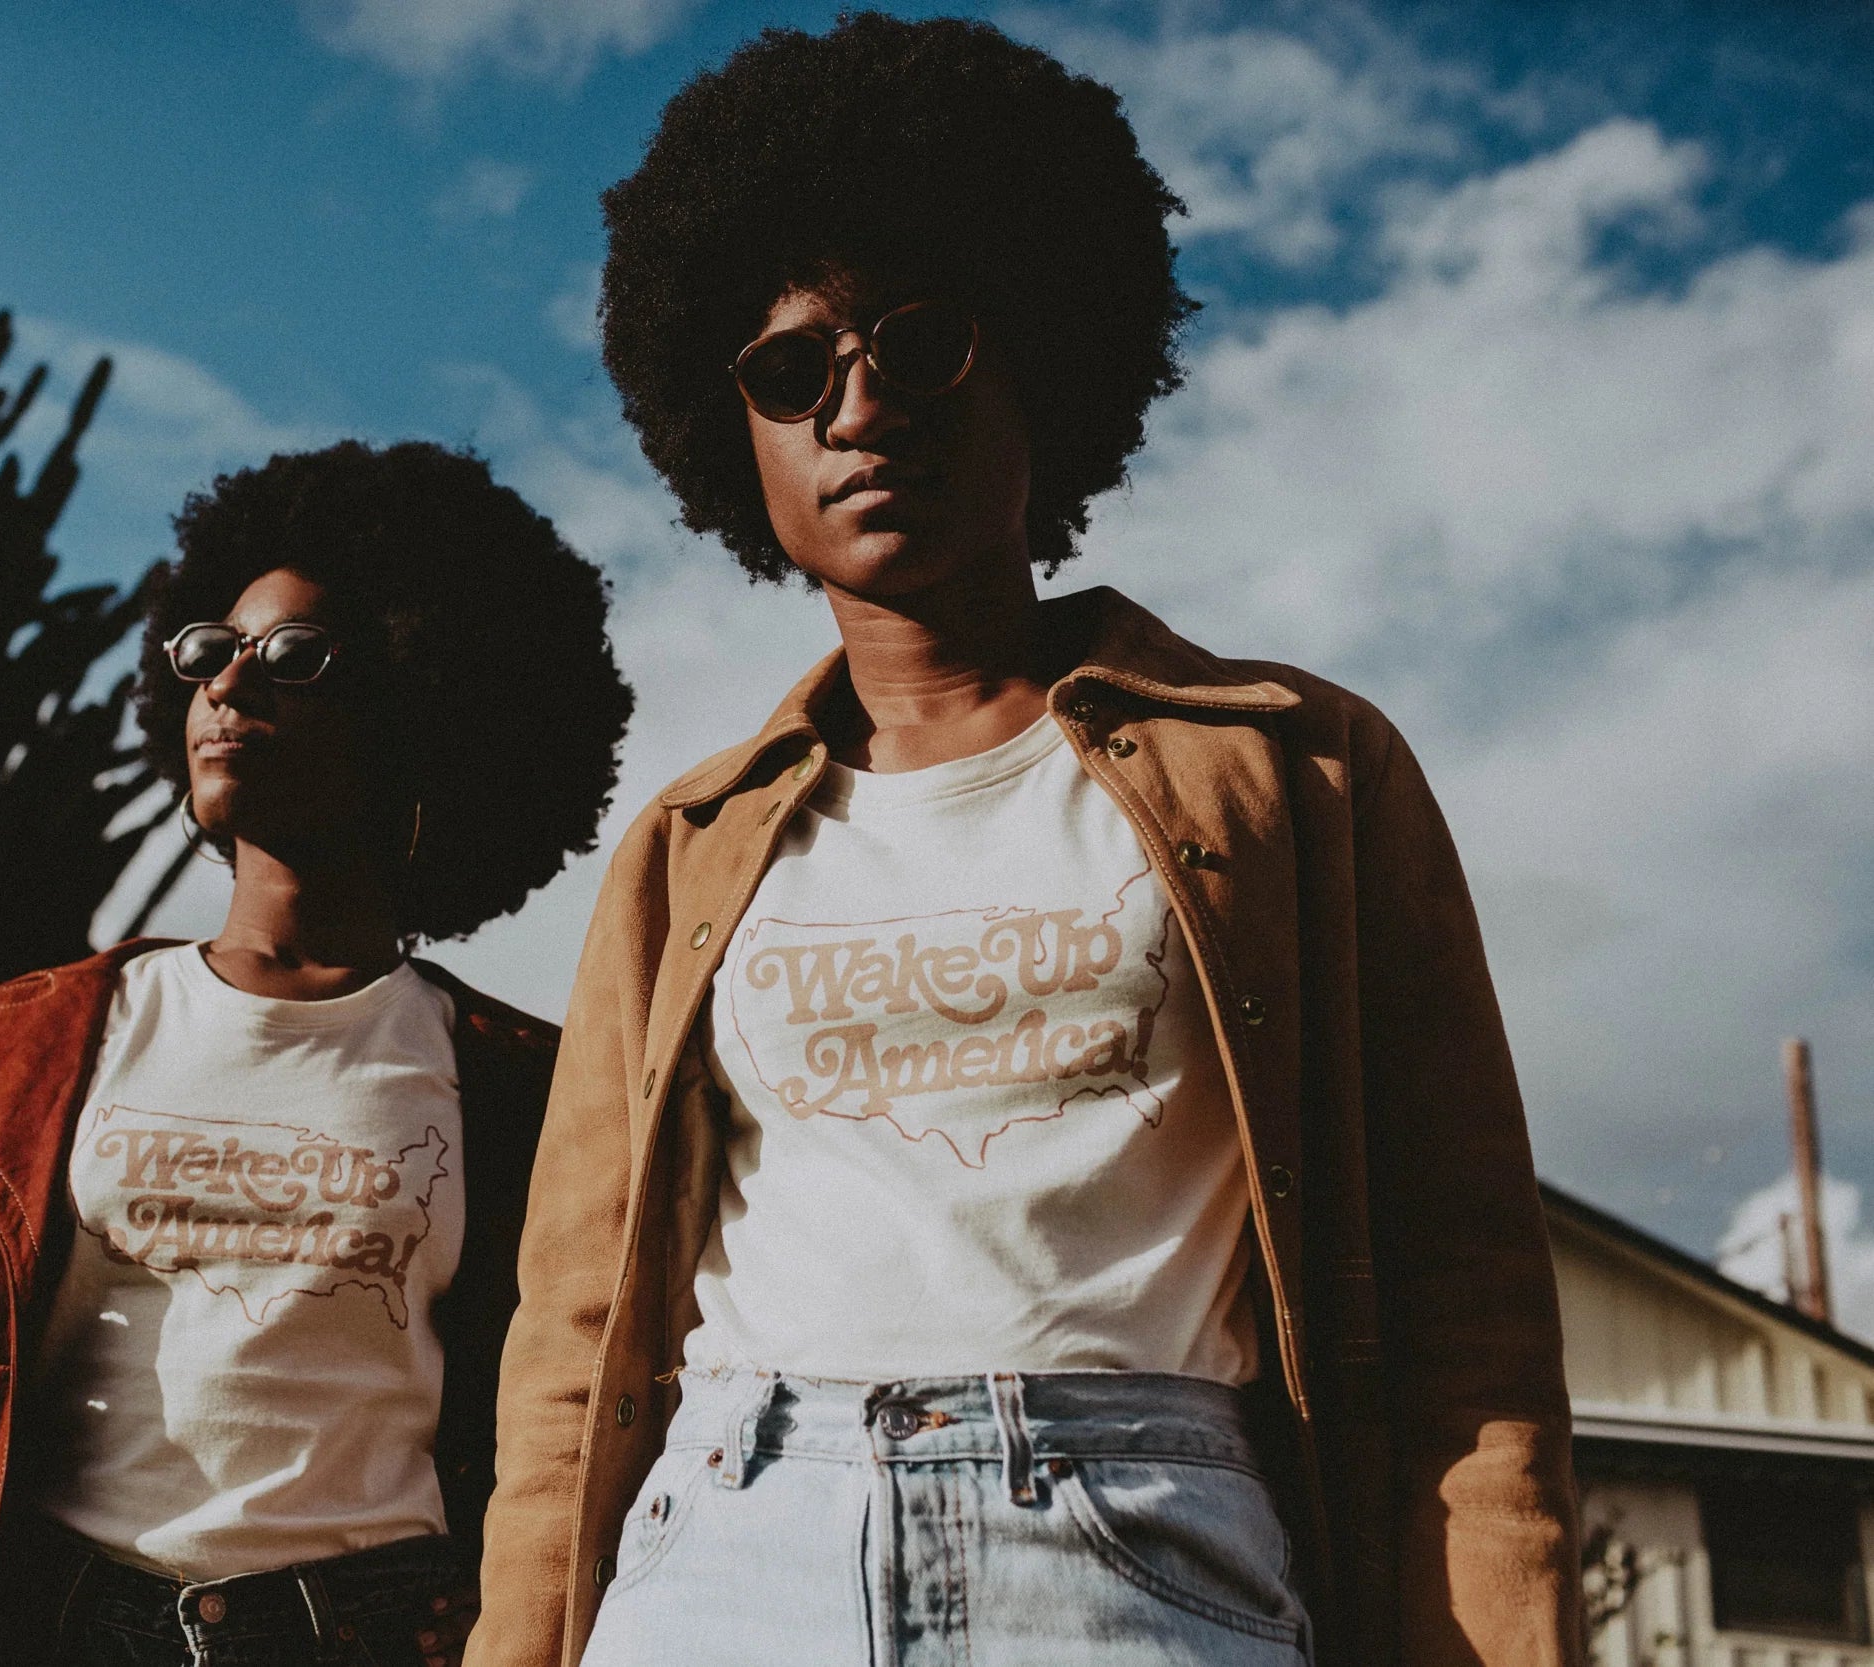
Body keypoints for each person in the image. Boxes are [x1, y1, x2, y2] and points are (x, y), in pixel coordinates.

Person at [472, 16, 1578, 1667]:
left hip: (1140, 1550)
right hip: (734, 1540)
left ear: (1043, 352)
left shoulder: (1300, 772)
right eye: (791, 368)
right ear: (741, 437)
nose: (857, 403)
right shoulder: (689, 845)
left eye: (917, 341)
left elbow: (1466, 1315)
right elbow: (567, 1347)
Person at [0, 440, 634, 1667]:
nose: (229, 685)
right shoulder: (26, 1054)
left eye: (292, 657)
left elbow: (567, 1438)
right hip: (44, 1626)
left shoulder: (515, 1087)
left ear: (422, 696)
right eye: (210, 651)